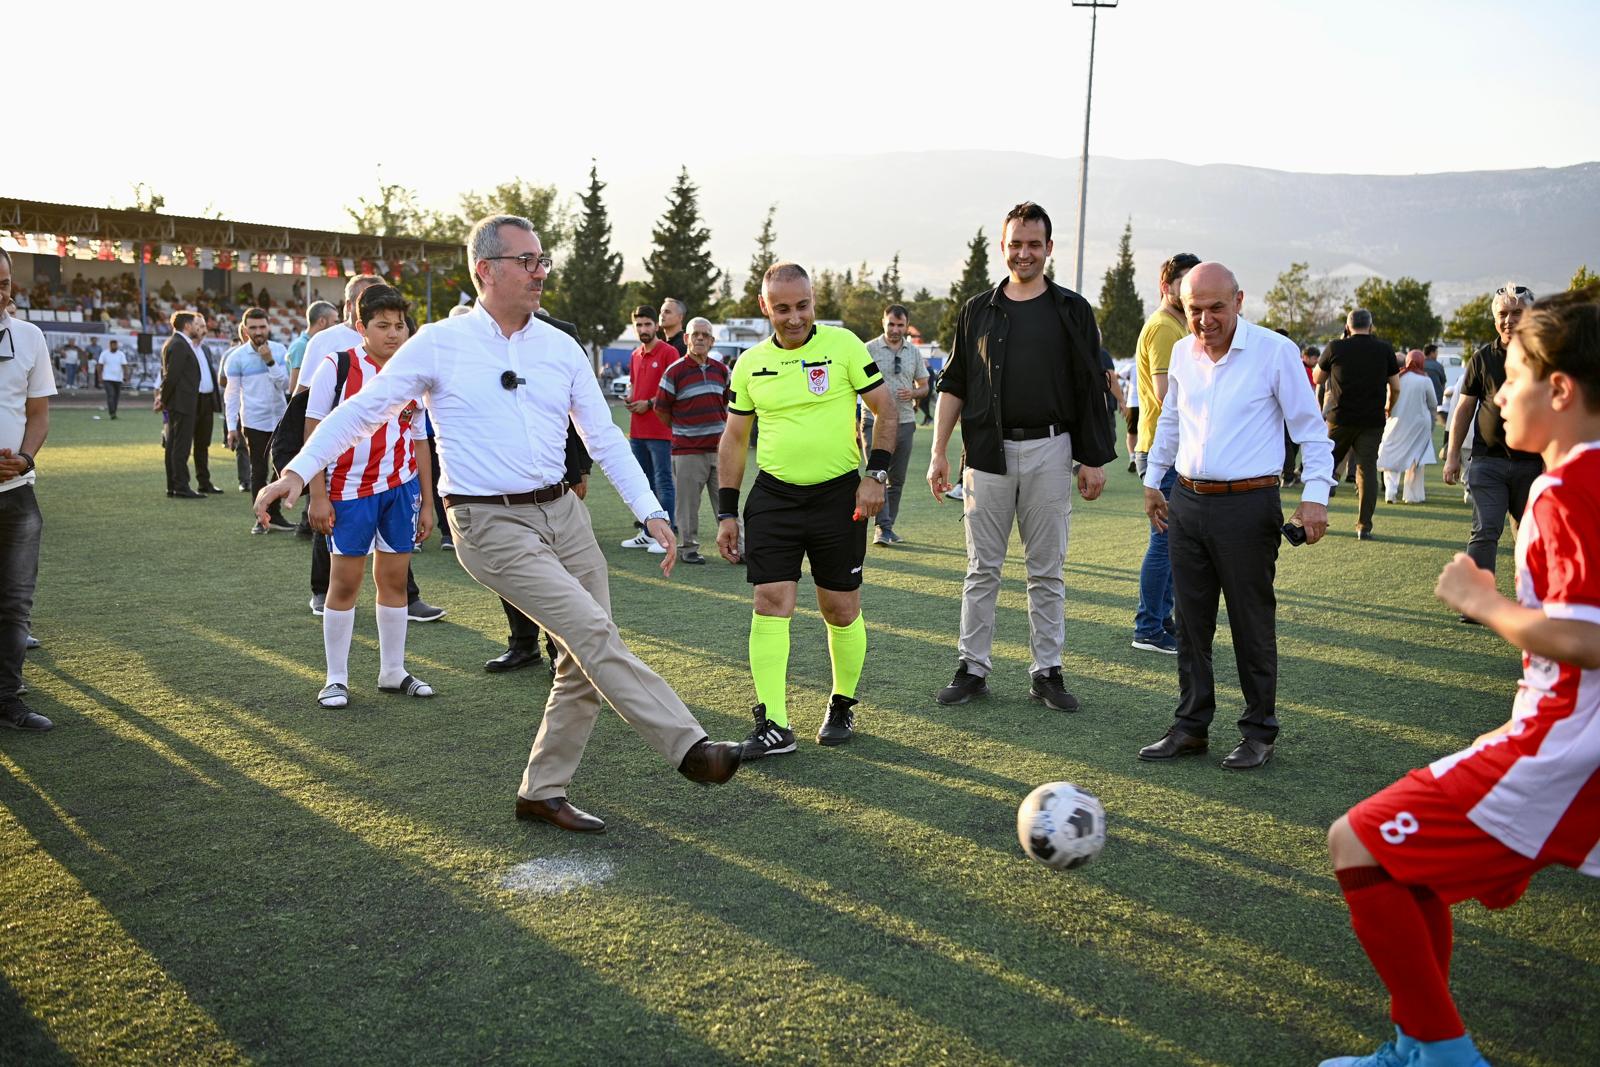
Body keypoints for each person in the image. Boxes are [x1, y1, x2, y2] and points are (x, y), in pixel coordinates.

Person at [256, 213, 742, 832]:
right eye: (527, 261)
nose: (541, 271)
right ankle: (690, 748)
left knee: (582, 657)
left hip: (564, 514)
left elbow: (603, 437)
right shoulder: (438, 342)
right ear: (485, 270)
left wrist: (652, 511)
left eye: (543, 261)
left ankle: (542, 792)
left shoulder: (560, 346)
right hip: (489, 523)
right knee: (593, 634)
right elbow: (359, 413)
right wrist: (297, 474)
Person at [1321, 285, 1600, 1067]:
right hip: (1560, 739)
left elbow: (1587, 638)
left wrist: (1484, 600)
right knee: (1405, 864)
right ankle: (1423, 1043)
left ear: (1561, 388)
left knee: (1359, 842)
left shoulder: (1569, 486)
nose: (1500, 394)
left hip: (1565, 746)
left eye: (1511, 374)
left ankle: (1438, 1054)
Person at [1135, 262, 1333, 771]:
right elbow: (1172, 422)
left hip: (1249, 505)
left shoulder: (1275, 352)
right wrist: (1154, 481)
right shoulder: (1181, 351)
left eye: (1216, 308)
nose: (1204, 320)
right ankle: (1191, 726)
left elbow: (1311, 431)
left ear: (1239, 301)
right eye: (1194, 309)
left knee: (1250, 624)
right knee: (1190, 624)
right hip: (1187, 502)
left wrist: (1315, 497)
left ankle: (1259, 731)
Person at [927, 202, 1115, 711]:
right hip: (986, 452)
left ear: (1049, 248)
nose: (1024, 253)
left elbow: (1088, 387)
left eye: (1034, 244)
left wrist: (1092, 458)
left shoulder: (1073, 310)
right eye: (1016, 244)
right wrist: (939, 452)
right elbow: (955, 385)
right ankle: (972, 668)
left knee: (1046, 570)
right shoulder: (976, 310)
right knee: (981, 568)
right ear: (1003, 246)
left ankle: (1047, 671)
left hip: (1052, 450)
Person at [716, 261, 896, 756]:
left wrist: (874, 475)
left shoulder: (844, 347)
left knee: (840, 608)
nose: (793, 318)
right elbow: (734, 438)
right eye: (782, 309)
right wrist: (726, 512)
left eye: (802, 306)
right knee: (770, 599)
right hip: (774, 497)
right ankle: (773, 723)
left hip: (839, 497)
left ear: (814, 302)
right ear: (764, 308)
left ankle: (841, 703)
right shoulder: (750, 364)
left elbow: (886, 409)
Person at [300, 285, 433, 709]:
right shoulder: (336, 366)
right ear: (361, 327)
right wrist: (317, 495)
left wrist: (427, 502)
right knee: (345, 583)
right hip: (348, 491)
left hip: (401, 489)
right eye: (382, 326)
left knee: (394, 581)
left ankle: (392, 671)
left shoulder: (413, 373)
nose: (393, 334)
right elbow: (314, 435)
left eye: (399, 325)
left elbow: (420, 439)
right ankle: (335, 677)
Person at [1442, 283, 1544, 605]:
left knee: (1530, 535)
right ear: (1494, 319)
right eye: (1503, 314)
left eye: (1517, 313)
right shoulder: (1482, 358)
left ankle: (1534, 599)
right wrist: (1453, 454)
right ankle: (1476, 602)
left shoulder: (1547, 356)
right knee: (1485, 531)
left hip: (1533, 464)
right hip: (1488, 462)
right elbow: (1464, 408)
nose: (1509, 320)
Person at [1131, 252, 1200, 656]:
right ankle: (1149, 627)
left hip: (1171, 449)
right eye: (1185, 284)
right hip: (1163, 449)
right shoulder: (1163, 327)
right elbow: (1165, 393)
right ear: (1166, 285)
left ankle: (1162, 620)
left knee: (1175, 542)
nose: (1191, 292)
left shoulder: (1177, 324)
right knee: (1165, 542)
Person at [0, 248, 56, 732]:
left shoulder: (29, 336)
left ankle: (8, 701)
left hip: (16, 491)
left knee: (15, 603)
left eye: (4, 283)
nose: (1, 292)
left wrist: (25, 457)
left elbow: (37, 414)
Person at [1316, 309, 1401, 541]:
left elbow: (1317, 378)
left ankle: (1315, 515)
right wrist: (1390, 406)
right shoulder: (1384, 349)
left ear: (1347, 325)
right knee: (1366, 470)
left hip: (1339, 418)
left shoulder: (1335, 347)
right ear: (1371, 326)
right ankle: (1364, 526)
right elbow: (1395, 386)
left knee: (1325, 465)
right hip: (1371, 420)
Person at [655, 316, 731, 566]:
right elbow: (662, 409)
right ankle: (689, 549)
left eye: (705, 335)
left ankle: (735, 548)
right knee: (687, 507)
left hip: (719, 451)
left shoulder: (722, 371)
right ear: (686, 338)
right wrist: (684, 430)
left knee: (727, 503)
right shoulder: (674, 371)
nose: (700, 338)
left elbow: (728, 405)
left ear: (712, 341)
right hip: (687, 452)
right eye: (695, 334)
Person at [861, 304, 928, 546]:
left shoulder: (914, 352)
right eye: (891, 324)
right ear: (883, 322)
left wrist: (912, 392)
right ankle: (882, 528)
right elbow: (854, 386)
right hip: (873, 420)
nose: (895, 329)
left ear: (906, 326)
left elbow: (925, 386)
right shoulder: (868, 349)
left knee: (896, 479)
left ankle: (888, 526)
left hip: (906, 421)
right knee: (878, 474)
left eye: (900, 325)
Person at [223, 307, 291, 532]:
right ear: (245, 330)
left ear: (268, 326)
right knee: (258, 471)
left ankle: (274, 513)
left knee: (282, 467)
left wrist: (270, 361)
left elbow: (285, 385)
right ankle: (260, 520)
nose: (259, 331)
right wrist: (231, 427)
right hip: (254, 421)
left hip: (281, 418)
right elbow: (231, 395)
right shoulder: (236, 358)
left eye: (262, 326)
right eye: (253, 327)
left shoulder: (280, 351)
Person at [619, 305, 677, 552]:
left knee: (663, 481)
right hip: (638, 430)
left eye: (647, 324)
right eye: (639, 325)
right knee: (643, 483)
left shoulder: (669, 352)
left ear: (656, 325)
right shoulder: (634, 355)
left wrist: (649, 403)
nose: (643, 329)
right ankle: (646, 532)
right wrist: (631, 398)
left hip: (661, 431)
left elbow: (674, 390)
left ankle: (666, 535)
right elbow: (634, 385)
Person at [155, 310, 222, 498]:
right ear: (187, 326)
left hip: (193, 402)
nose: (200, 328)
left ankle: (181, 485)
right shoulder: (179, 344)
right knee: (179, 446)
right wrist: (164, 399)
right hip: (183, 403)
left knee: (184, 445)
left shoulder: (183, 345)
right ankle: (180, 486)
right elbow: (171, 376)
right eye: (196, 324)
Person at [1377, 350, 1438, 504]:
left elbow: (1387, 401)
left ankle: (1390, 492)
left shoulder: (1396, 378)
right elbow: (1433, 404)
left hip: (1396, 422)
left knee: (1391, 456)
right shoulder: (1425, 380)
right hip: (1419, 425)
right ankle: (1412, 496)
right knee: (1416, 459)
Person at [286, 300, 338, 396]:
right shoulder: (301, 346)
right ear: (322, 321)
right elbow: (294, 388)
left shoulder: (317, 344)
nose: (337, 326)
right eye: (335, 322)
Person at [97, 338, 128, 419]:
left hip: (118, 378)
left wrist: (125, 376)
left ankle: (114, 411)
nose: (114, 346)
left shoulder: (121, 354)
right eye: (113, 344)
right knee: (111, 395)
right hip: (107, 378)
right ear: (110, 345)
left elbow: (125, 366)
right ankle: (112, 412)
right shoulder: (104, 353)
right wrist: (100, 376)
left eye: (115, 344)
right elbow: (100, 365)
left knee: (116, 396)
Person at [1422, 342, 1448, 422]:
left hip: (1421, 397)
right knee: (1431, 420)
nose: (1437, 355)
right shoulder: (1438, 366)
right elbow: (1443, 383)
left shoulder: (1420, 364)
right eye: (1436, 352)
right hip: (1435, 398)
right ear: (1432, 353)